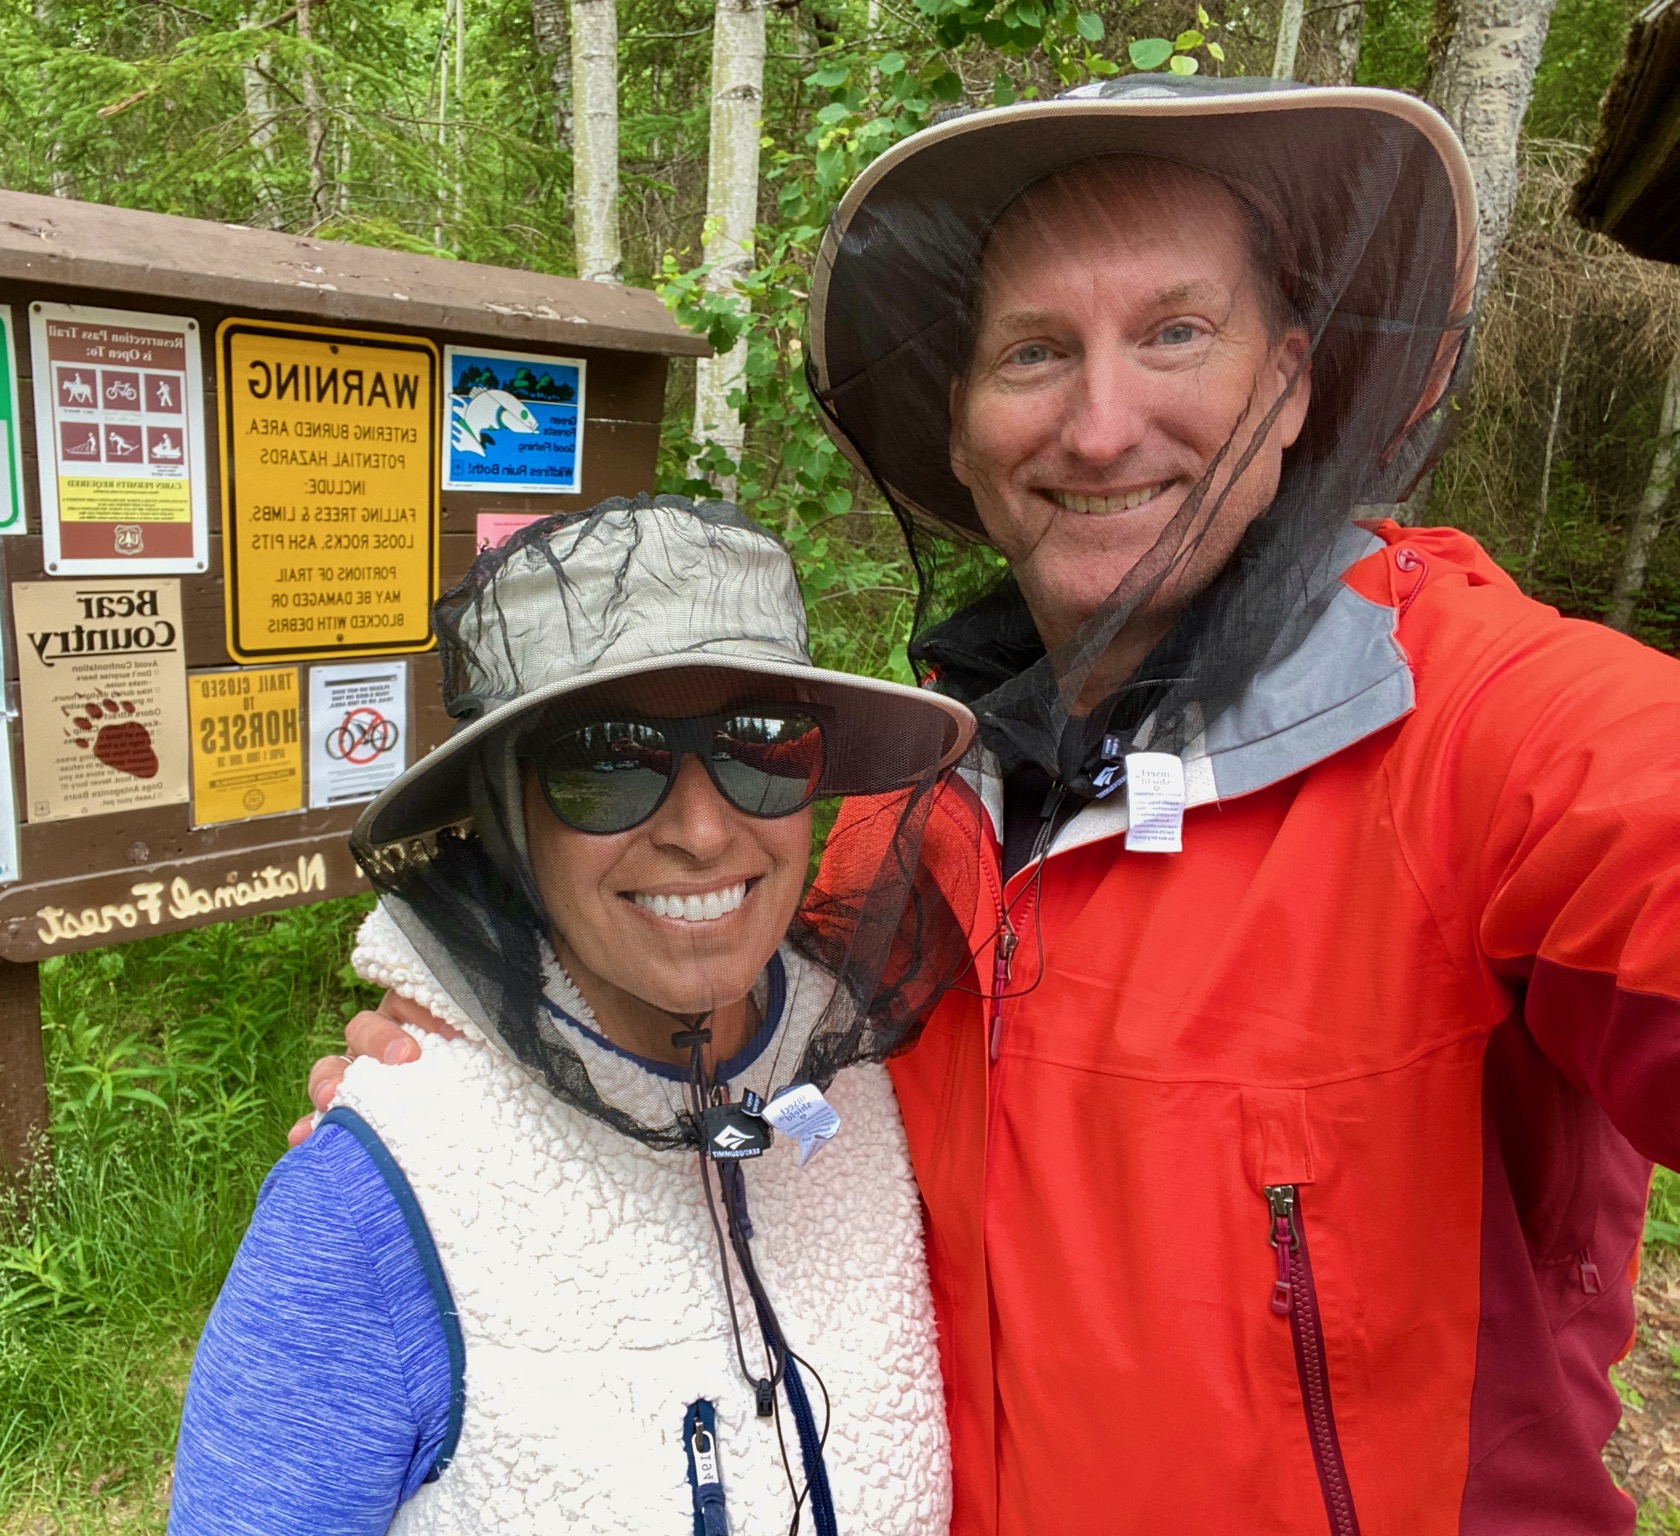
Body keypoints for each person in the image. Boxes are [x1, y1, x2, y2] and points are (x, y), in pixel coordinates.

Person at [309, 79, 1680, 1533]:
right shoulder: (884, 824)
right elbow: (694, 1053)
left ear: (1292, 385)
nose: (1100, 427)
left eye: (1174, 332)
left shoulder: (1487, 734)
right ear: (960, 435)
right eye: (1034, 353)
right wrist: (471, 1103)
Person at [173, 496, 978, 1533]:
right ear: (507, 818)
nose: (700, 829)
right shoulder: (370, 1208)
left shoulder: (861, 1076)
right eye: (604, 760)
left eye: (761, 745)